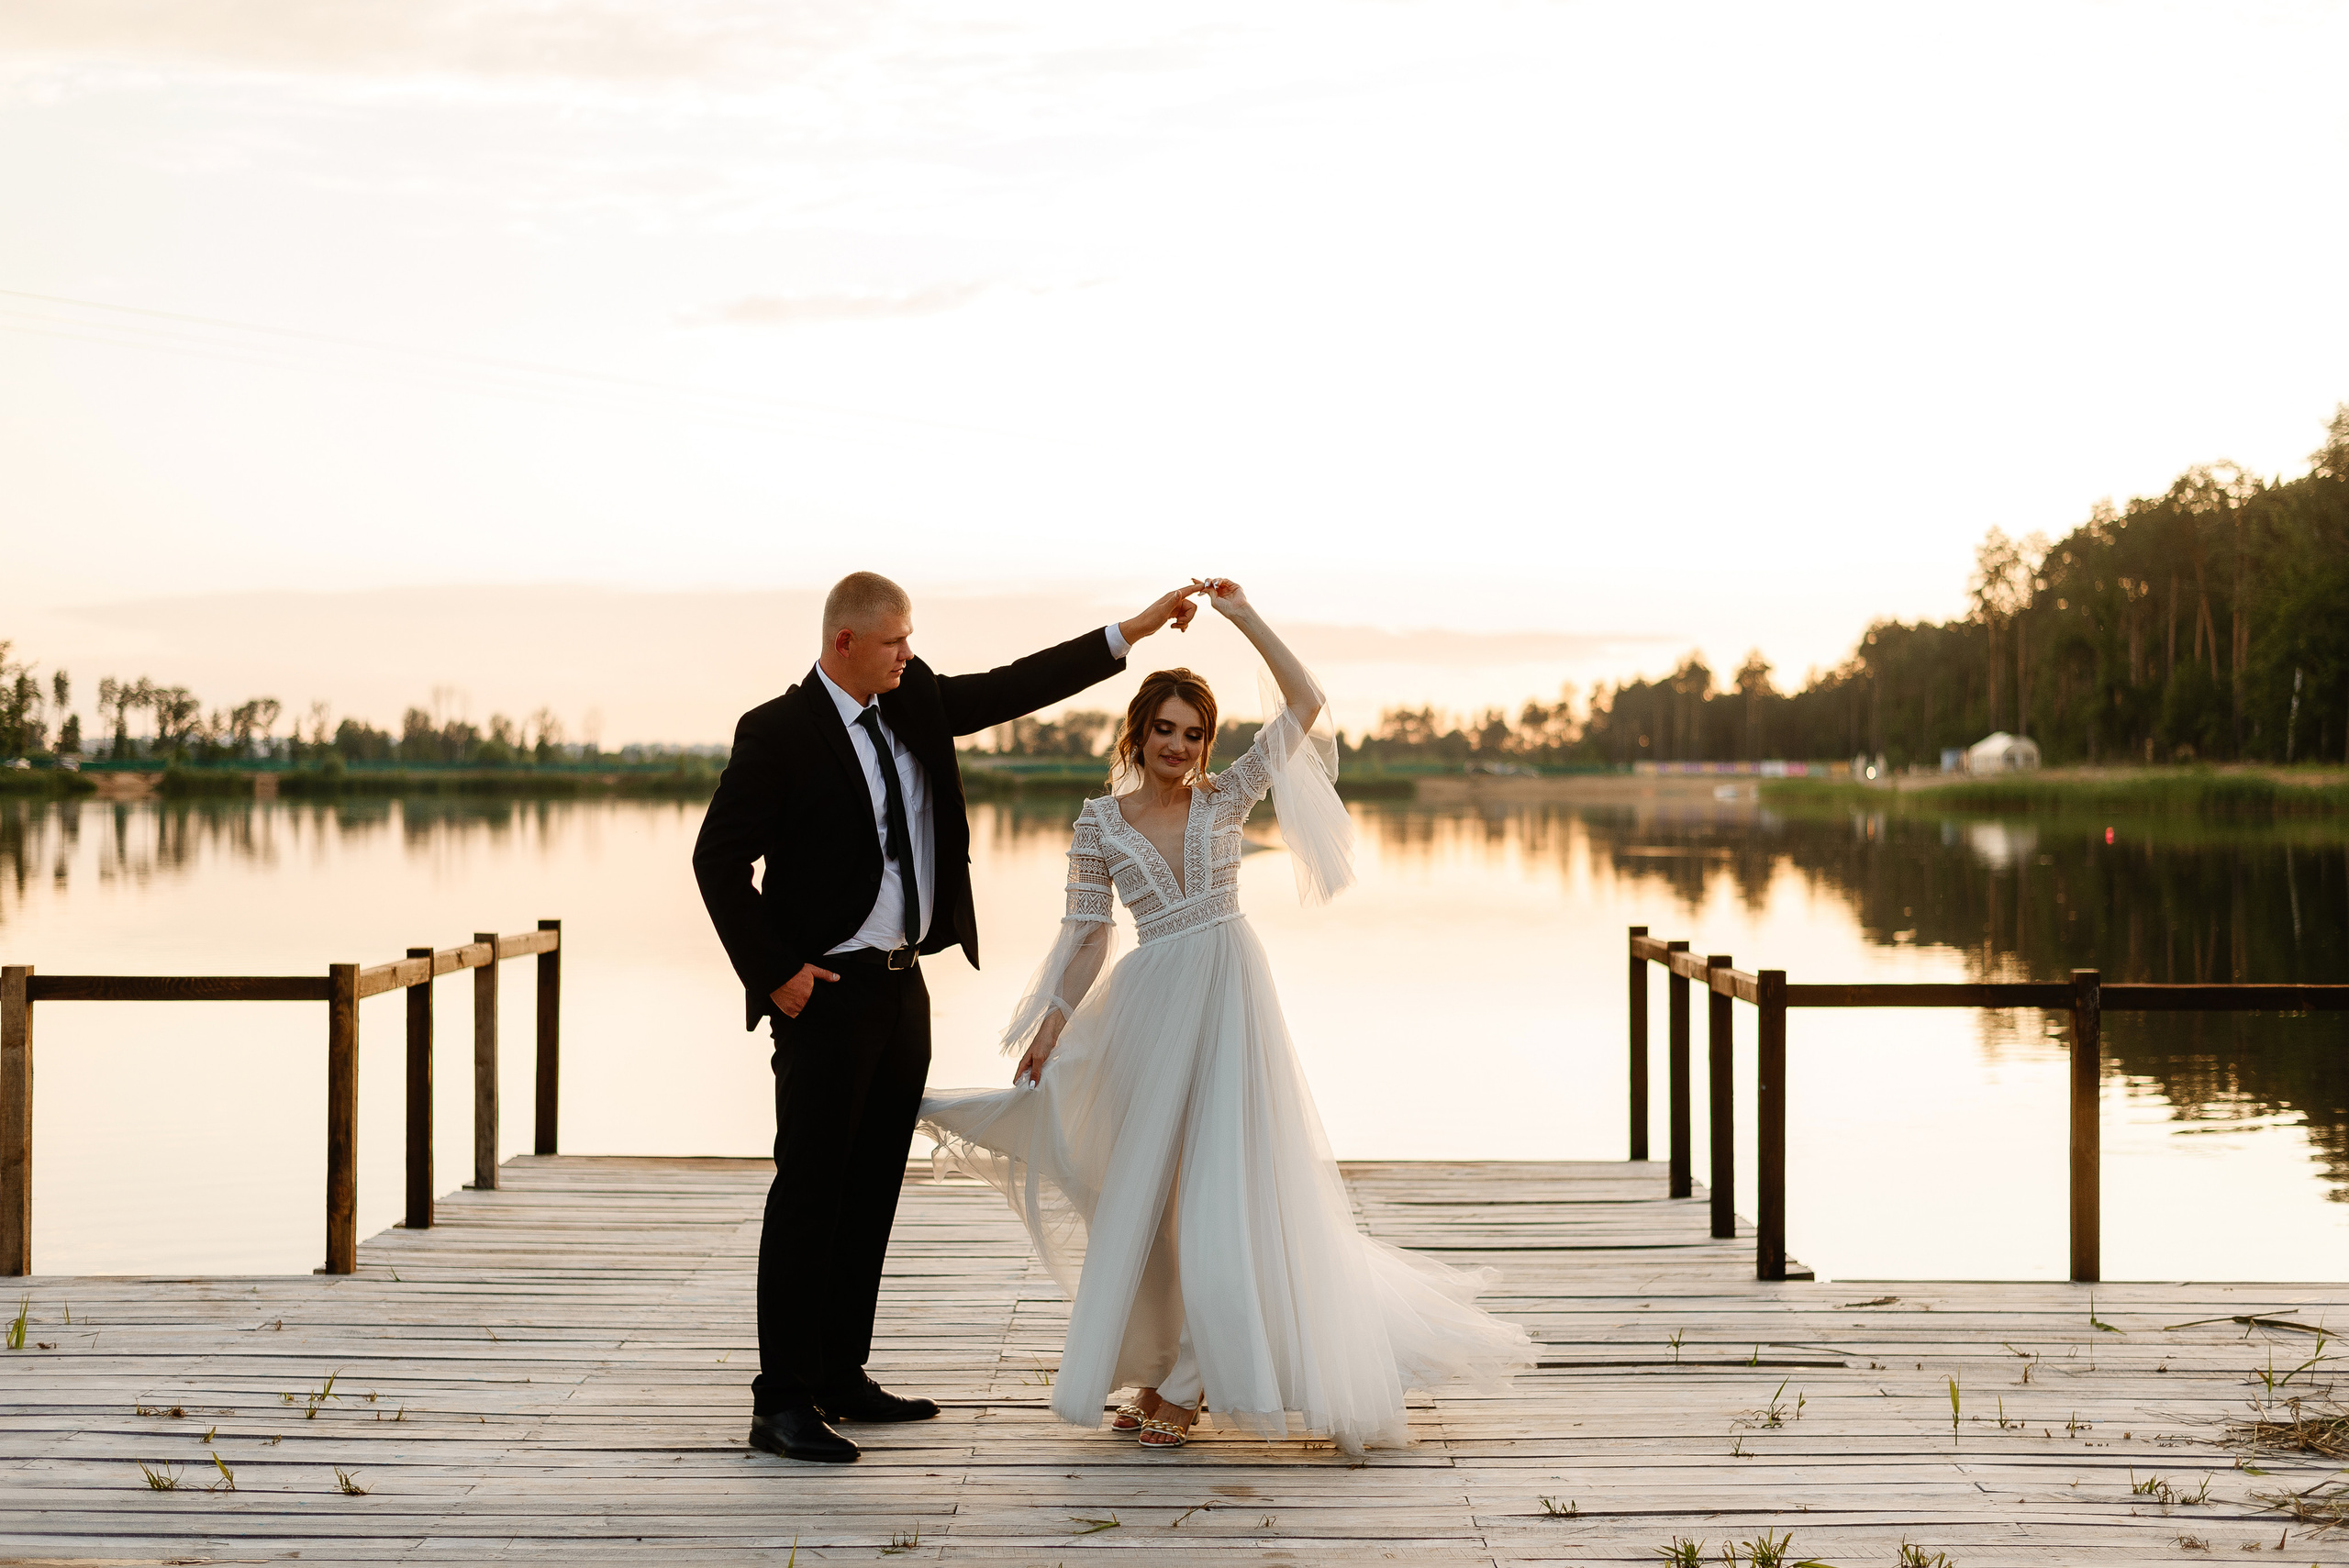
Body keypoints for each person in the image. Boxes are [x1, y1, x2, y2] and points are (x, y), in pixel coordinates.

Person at [919, 578, 1531, 1454]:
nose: (1178, 745)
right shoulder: (1099, 823)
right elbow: (1085, 936)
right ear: (1138, 733)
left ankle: (1189, 1386)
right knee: (1155, 1201)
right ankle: (1162, 1363)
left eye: (1193, 732)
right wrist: (1051, 1022)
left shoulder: (1227, 797)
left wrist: (1245, 619)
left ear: (1208, 743)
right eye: (1164, 730)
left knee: (1223, 1194)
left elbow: (1308, 702)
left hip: (1228, 996)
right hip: (1146, 1013)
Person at [693, 571, 1205, 1464]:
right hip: (822, 990)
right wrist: (775, 972)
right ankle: (780, 1400)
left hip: (902, 987)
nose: (909, 650)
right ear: (846, 642)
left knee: (872, 1187)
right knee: (811, 1189)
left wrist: (1135, 630)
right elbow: (716, 859)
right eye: (895, 640)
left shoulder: (912, 701)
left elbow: (1015, 683)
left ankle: (840, 1373)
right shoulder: (776, 731)